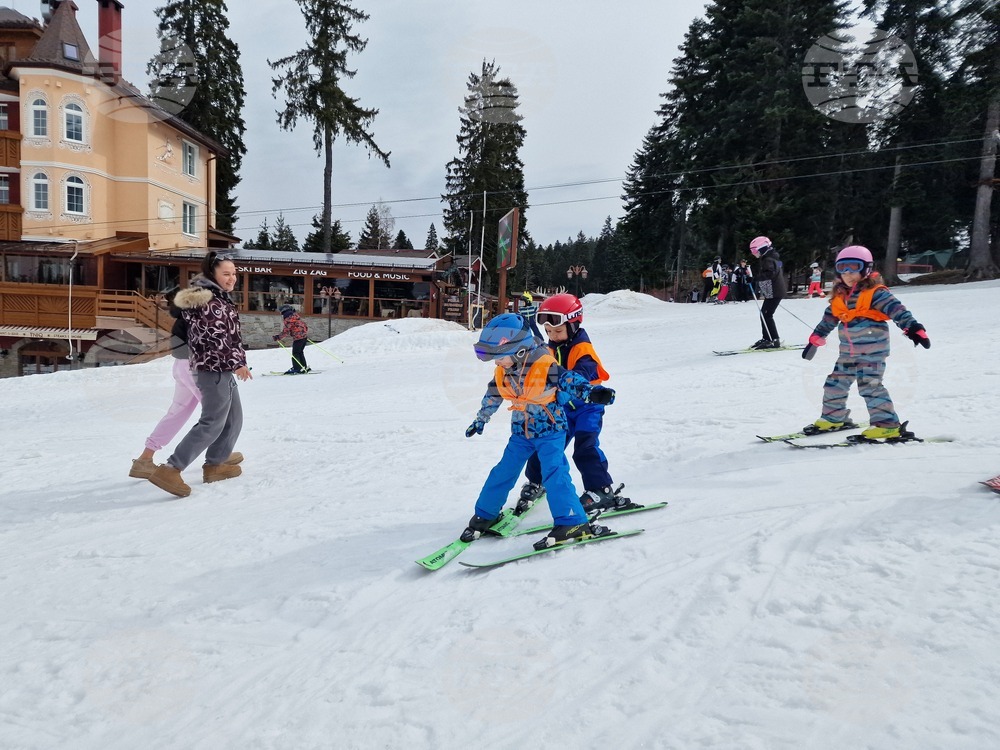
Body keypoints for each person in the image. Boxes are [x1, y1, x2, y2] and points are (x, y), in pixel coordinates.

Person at [462, 313, 618, 550]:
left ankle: (572, 522)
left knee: (555, 473)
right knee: (503, 470)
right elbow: (493, 394)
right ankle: (486, 514)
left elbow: (569, 380)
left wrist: (592, 393)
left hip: (550, 431)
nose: (497, 363)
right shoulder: (504, 370)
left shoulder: (545, 366)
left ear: (519, 351)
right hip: (521, 432)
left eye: (499, 358)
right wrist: (481, 419)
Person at [514, 293, 631, 516]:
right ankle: (537, 481)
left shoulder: (582, 349)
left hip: (588, 408)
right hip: (564, 409)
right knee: (546, 444)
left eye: (558, 331)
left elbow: (582, 375)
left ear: (574, 324)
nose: (553, 336)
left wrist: (561, 386)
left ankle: (601, 489)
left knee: (585, 447)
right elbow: (539, 353)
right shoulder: (553, 345)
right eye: (549, 331)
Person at [147, 252, 252, 498]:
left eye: (234, 273)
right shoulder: (210, 302)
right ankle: (171, 469)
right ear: (212, 274)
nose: (232, 278)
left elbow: (229, 336)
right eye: (226, 274)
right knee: (212, 422)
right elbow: (216, 338)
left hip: (221, 367)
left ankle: (216, 464)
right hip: (212, 368)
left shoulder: (217, 297)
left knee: (233, 418)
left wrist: (236, 362)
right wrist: (237, 362)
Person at [800, 245, 930, 441]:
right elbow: (827, 321)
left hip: (873, 352)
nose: (848, 274)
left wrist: (913, 328)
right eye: (843, 269)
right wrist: (816, 338)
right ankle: (833, 418)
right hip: (847, 352)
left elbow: (897, 310)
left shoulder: (875, 293)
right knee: (834, 383)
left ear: (866, 269)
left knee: (870, 386)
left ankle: (887, 425)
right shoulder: (839, 297)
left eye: (854, 268)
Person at [129, 288, 203, 478]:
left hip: (182, 366)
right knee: (217, 412)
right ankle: (220, 455)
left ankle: (145, 458)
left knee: (177, 412)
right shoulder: (193, 316)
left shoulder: (183, 315)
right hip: (194, 367)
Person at [748, 236, 786, 349]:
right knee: (764, 314)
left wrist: (754, 278)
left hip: (775, 291)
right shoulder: (771, 257)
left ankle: (774, 339)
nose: (754, 254)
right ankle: (767, 338)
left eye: (754, 251)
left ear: (762, 248)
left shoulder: (768, 259)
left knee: (766, 315)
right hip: (772, 291)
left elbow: (770, 274)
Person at [273, 304, 310, 374]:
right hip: (304, 337)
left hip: (298, 338)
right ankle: (303, 367)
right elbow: (305, 325)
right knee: (300, 352)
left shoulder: (288, 319)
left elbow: (286, 331)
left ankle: (297, 368)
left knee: (295, 353)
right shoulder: (296, 316)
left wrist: (278, 337)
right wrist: (304, 334)